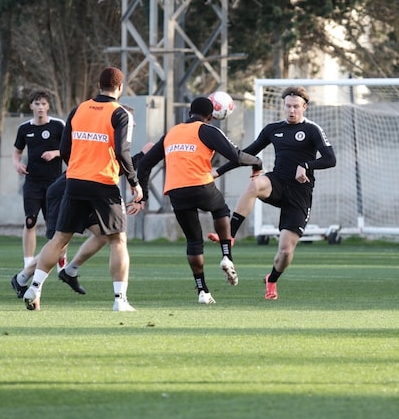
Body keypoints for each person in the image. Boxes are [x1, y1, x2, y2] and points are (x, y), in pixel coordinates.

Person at [22, 66, 142, 311]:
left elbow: (65, 149)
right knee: (118, 239)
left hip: (74, 180)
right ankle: (120, 300)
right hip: (104, 183)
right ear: (120, 88)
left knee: (59, 238)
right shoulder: (121, 114)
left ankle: (34, 287)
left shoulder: (79, 109)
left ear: (99, 85)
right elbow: (122, 151)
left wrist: (79, 166)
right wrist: (134, 182)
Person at [211, 86, 336, 299]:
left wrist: (306, 165)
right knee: (255, 185)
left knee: (286, 251)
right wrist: (219, 171)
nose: (291, 110)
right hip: (277, 182)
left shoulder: (312, 129)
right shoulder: (273, 129)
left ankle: (272, 280)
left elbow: (330, 159)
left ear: (304, 107)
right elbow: (247, 153)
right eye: (288, 106)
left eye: (296, 106)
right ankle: (230, 234)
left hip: (300, 193)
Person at [137, 97, 262, 304]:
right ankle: (226, 255)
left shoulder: (171, 133)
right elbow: (236, 156)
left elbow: (144, 165)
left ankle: (203, 291)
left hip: (176, 191)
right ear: (210, 116)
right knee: (221, 210)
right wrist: (257, 162)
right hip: (201, 186)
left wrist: (144, 196)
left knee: (194, 241)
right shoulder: (207, 130)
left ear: (189, 113)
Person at [10, 143, 153, 298]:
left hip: (87, 194)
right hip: (64, 192)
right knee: (59, 244)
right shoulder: (108, 134)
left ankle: (70, 271)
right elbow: (116, 165)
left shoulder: (110, 137)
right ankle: (22, 280)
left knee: (104, 235)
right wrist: (142, 157)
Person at [12, 91, 65, 269]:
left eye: (43, 104)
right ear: (31, 106)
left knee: (56, 225)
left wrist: (55, 153)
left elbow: (70, 149)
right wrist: (17, 164)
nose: (40, 107)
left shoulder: (58, 126)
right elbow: (17, 153)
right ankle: (28, 263)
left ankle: (60, 260)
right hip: (32, 182)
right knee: (30, 221)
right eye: (37, 103)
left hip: (54, 183)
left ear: (48, 106)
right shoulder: (24, 128)